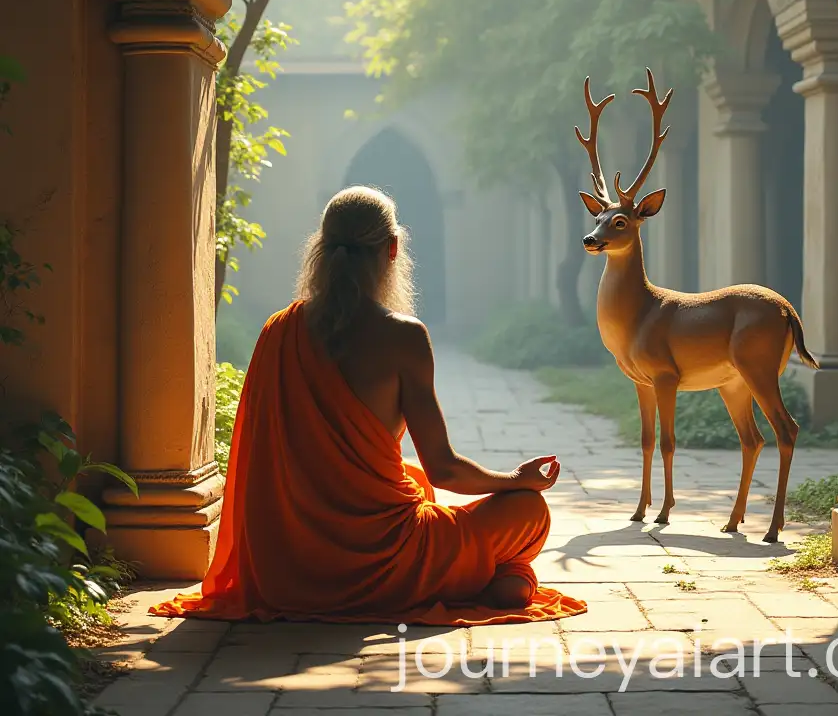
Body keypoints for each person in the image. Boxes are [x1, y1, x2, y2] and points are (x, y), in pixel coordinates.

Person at [151, 186, 585, 625]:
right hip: (389, 563)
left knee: (411, 479)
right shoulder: (404, 337)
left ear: (321, 249)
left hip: (291, 570)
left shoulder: (278, 331)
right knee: (527, 511)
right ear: (393, 248)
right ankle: (497, 575)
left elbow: (260, 467)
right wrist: (515, 480)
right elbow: (446, 469)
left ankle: (489, 576)